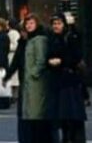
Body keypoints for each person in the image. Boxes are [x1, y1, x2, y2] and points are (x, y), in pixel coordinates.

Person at [5, 13, 54, 143]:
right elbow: (18, 61)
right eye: (27, 24)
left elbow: (40, 60)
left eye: (31, 23)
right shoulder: (27, 41)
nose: (28, 26)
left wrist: (33, 73)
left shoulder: (39, 39)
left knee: (35, 113)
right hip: (28, 82)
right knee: (28, 113)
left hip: (35, 82)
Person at [48, 14, 86, 143]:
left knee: (72, 116)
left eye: (58, 23)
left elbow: (76, 55)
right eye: (54, 23)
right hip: (58, 81)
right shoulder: (53, 39)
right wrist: (50, 61)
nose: (56, 26)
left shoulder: (70, 37)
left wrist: (61, 61)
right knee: (62, 117)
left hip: (70, 81)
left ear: (64, 24)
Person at [7, 19, 21, 102]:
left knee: (14, 78)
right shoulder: (14, 33)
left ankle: (14, 96)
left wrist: (7, 47)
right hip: (11, 56)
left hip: (12, 56)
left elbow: (15, 45)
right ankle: (14, 95)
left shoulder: (13, 33)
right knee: (14, 78)